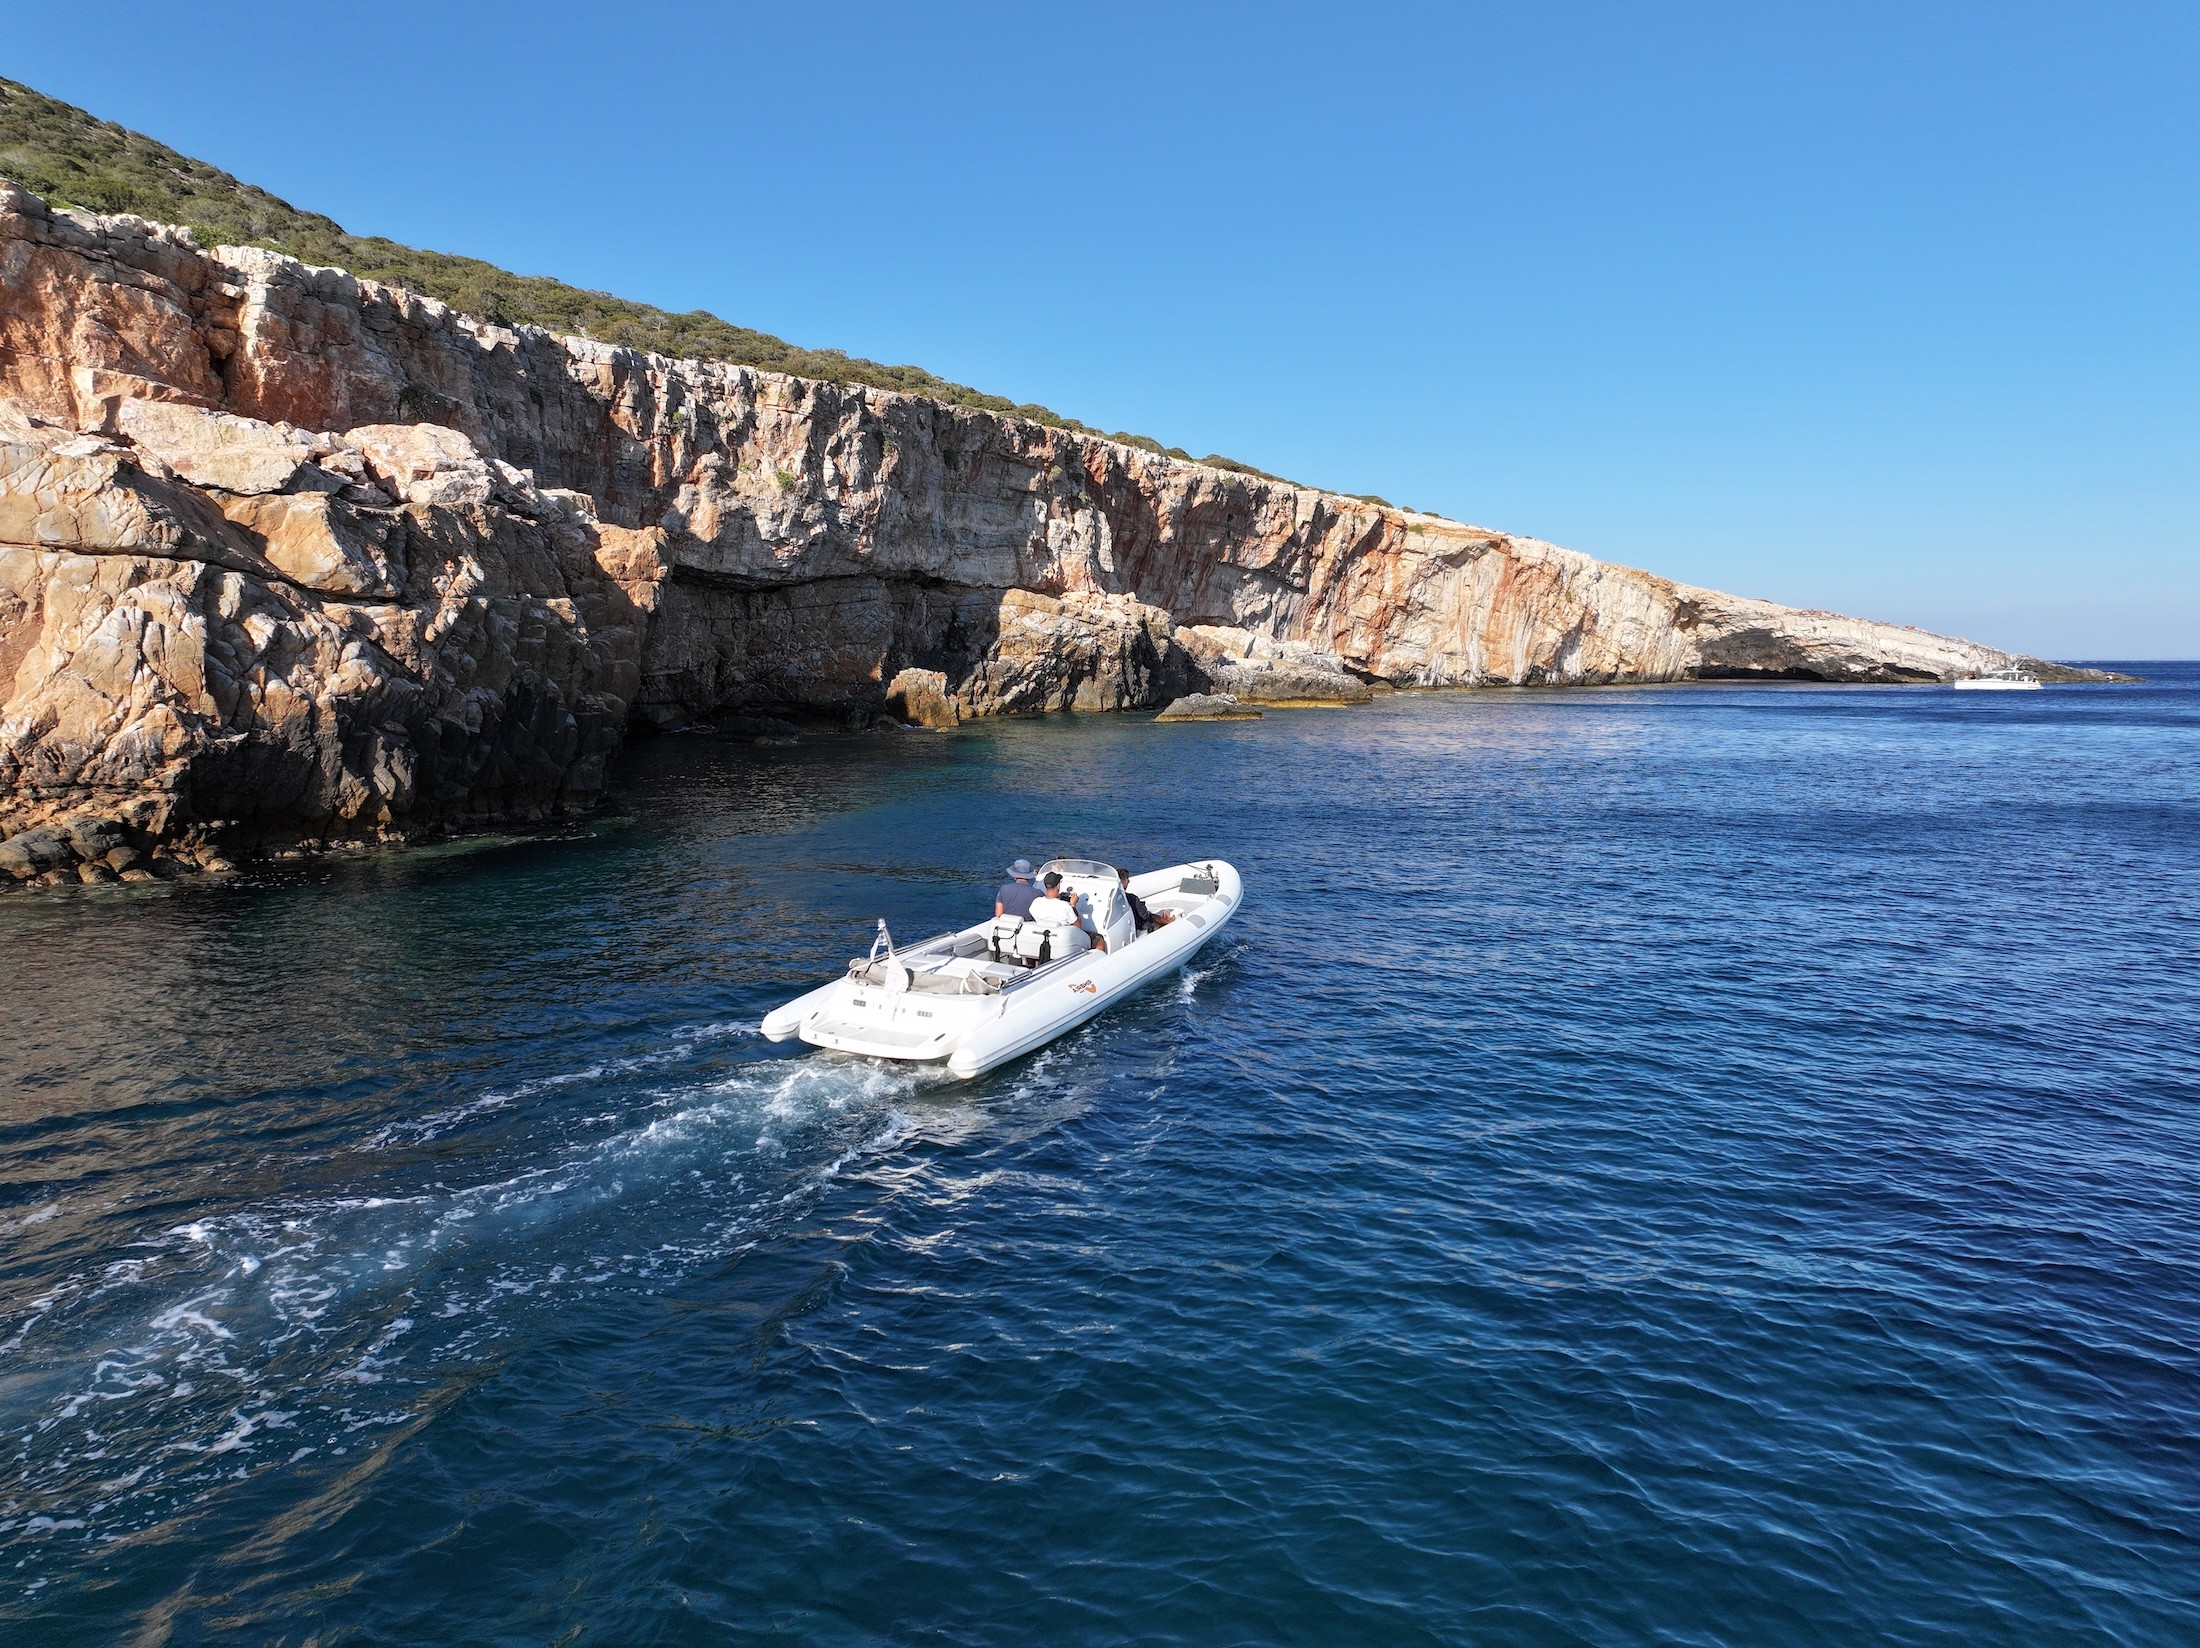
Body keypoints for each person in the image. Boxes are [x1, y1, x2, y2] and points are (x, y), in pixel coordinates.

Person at [1030, 871, 1098, 953]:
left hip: (1043, 939)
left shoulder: (1036, 902)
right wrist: (1073, 905)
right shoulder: (1065, 906)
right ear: (1058, 886)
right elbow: (1077, 926)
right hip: (1063, 942)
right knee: (1099, 940)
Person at [1118, 866, 1175, 934]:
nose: (1129, 881)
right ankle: (1167, 921)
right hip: (1137, 925)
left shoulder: (1114, 899)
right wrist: (1161, 919)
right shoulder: (1132, 899)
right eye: (1128, 879)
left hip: (1124, 926)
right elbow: (1146, 916)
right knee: (1152, 920)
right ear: (1125, 881)